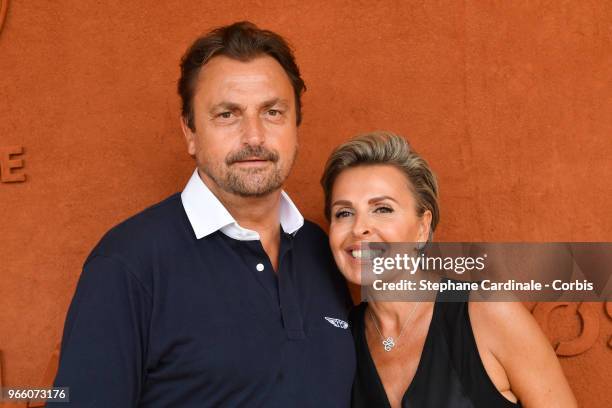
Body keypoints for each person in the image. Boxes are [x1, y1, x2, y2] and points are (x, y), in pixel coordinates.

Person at [49, 22, 355, 407]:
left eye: (273, 112)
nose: (255, 136)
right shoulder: (128, 264)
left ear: (296, 125)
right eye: (227, 115)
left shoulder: (323, 250)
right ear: (190, 132)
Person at [320, 131, 577, 407]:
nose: (359, 228)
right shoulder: (342, 340)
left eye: (382, 209)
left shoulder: (488, 313)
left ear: (422, 227)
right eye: (344, 213)